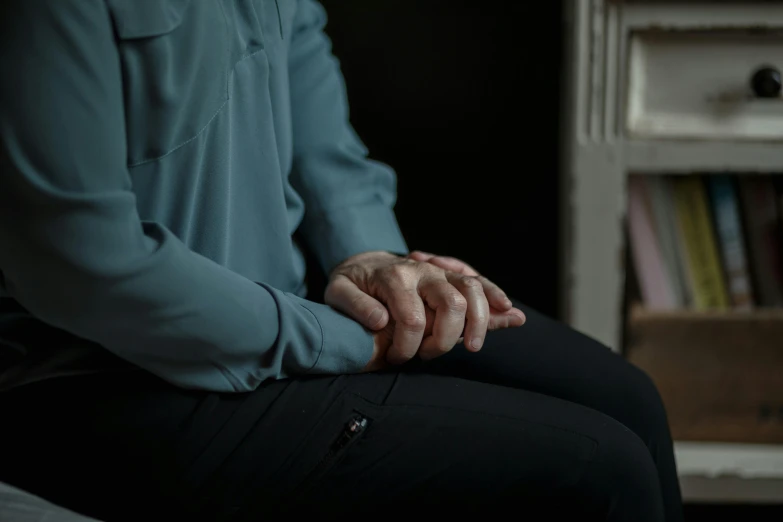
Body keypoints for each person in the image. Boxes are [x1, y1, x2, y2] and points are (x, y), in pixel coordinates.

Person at [0, 1, 683, 520]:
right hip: (102, 379)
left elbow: (299, 59)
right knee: (601, 470)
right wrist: (336, 339)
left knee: (628, 400)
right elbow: (83, 263)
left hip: (289, 302)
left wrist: (372, 259)